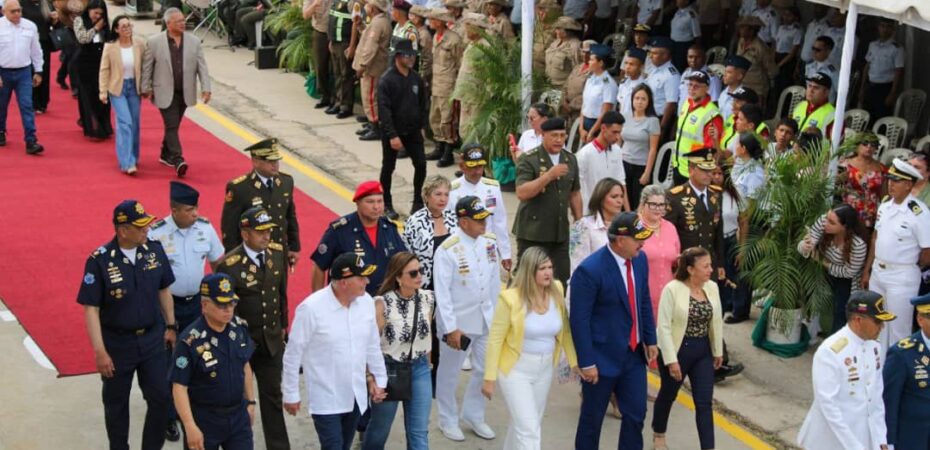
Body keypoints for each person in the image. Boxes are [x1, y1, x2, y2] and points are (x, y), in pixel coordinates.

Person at [77, 200, 176, 450]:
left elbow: (164, 289)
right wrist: (100, 351)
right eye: (141, 226)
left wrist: (171, 325)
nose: (147, 229)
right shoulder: (99, 261)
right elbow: (91, 309)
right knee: (116, 404)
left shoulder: (153, 250)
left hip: (152, 339)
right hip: (117, 344)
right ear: (123, 230)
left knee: (161, 398)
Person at [282, 253, 388, 450]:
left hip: (355, 394)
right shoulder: (311, 309)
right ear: (343, 282)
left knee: (344, 446)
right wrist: (291, 393)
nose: (367, 281)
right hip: (326, 398)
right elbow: (293, 354)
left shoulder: (365, 302)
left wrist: (379, 380)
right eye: (361, 277)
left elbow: (372, 344)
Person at [570, 212, 658, 450]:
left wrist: (650, 338)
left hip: (633, 355)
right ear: (620, 240)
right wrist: (586, 362)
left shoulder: (639, 260)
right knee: (592, 420)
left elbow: (643, 300)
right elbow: (579, 320)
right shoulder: (590, 270)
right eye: (638, 238)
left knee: (636, 414)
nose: (643, 243)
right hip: (602, 358)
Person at [148, 181, 225, 442]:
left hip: (197, 304)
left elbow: (218, 263)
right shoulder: (156, 233)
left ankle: (193, 410)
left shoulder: (204, 228)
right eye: (190, 210)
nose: (195, 214)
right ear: (174, 210)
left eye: (196, 209)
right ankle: (170, 416)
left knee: (197, 356)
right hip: (167, 305)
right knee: (169, 361)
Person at [482, 246, 578, 450]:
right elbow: (495, 339)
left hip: (544, 370)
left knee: (524, 423)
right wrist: (489, 378)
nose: (548, 272)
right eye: (542, 268)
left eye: (550, 267)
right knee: (529, 430)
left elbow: (565, 331)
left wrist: (574, 361)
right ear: (529, 270)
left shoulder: (557, 290)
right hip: (516, 371)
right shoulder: (510, 298)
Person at [214, 206, 290, 450]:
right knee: (238, 400)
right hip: (241, 344)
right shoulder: (230, 265)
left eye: (269, 231)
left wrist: (282, 327)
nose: (267, 236)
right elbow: (225, 309)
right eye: (260, 232)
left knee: (273, 398)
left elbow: (281, 294)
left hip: (270, 340)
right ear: (245, 234)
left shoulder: (277, 253)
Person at [433, 196, 502, 442]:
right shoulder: (448, 249)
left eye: (485, 218)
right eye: (478, 219)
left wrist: (497, 317)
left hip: (486, 318)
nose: (484, 223)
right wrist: (451, 328)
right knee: (450, 373)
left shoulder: (489, 243)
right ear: (463, 222)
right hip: (459, 323)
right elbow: (442, 292)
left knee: (485, 368)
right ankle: (447, 418)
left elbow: (494, 281)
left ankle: (474, 413)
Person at [797, 290, 894, 450]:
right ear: (858, 320)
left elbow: (876, 398)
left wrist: (880, 440)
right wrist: (854, 446)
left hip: (862, 437)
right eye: (877, 321)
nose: (882, 327)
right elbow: (827, 406)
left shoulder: (874, 347)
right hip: (829, 441)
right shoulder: (830, 351)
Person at [170, 273, 256, 450]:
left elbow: (245, 365)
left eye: (231, 303)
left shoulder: (239, 329)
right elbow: (179, 387)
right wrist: (189, 425)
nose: (228, 309)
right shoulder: (190, 340)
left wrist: (251, 402)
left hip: (238, 416)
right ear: (204, 305)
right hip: (205, 419)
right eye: (221, 304)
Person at [652, 247, 723, 450]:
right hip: (678, 350)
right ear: (691, 269)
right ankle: (658, 433)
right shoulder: (672, 289)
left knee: (704, 403)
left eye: (711, 264)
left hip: (702, 351)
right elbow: (663, 327)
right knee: (668, 394)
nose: (711, 269)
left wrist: (717, 351)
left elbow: (716, 321)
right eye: (705, 266)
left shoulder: (712, 288)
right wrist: (671, 360)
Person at [361, 252, 434, 450]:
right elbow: (370, 344)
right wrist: (371, 377)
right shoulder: (382, 303)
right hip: (388, 369)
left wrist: (428, 363)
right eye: (412, 273)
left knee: (419, 432)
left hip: (420, 369)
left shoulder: (428, 299)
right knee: (379, 430)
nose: (419, 276)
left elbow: (426, 335)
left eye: (421, 271)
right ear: (398, 278)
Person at [862, 159, 930, 349]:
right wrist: (867, 270)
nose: (891, 184)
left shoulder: (918, 213)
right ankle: (879, 370)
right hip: (878, 272)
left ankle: (896, 374)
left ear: (909, 185)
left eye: (897, 180)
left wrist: (910, 265)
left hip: (902, 276)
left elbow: (927, 251)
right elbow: (875, 239)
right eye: (890, 179)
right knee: (876, 324)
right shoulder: (885, 205)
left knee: (898, 329)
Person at [141, 7, 212, 177]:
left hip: (185, 92)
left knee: (173, 125)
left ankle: (165, 153)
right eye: (178, 21)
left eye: (183, 19)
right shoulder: (154, 42)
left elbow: (202, 67)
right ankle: (178, 159)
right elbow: (147, 67)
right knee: (171, 125)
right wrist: (145, 87)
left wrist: (206, 88)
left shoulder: (194, 41)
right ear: (168, 23)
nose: (183, 23)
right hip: (163, 91)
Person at [514, 117, 583, 286]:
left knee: (560, 280)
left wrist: (579, 221)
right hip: (533, 233)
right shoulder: (529, 159)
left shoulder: (570, 159)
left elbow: (574, 193)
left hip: (559, 233)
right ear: (543, 135)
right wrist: (549, 176)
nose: (559, 140)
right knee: (528, 280)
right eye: (554, 135)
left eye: (562, 135)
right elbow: (522, 192)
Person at [310, 180, 408, 295]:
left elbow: (403, 262)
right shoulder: (340, 230)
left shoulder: (389, 228)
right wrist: (319, 301)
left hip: (385, 301)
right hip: (350, 301)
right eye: (370, 202)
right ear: (358, 202)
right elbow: (319, 266)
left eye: (380, 201)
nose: (376, 207)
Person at [221, 138, 301, 268]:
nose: (275, 165)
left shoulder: (286, 182)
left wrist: (294, 246)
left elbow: (290, 216)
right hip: (251, 255)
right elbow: (229, 228)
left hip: (278, 253)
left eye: (276, 160)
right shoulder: (240, 188)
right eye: (269, 161)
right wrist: (234, 257)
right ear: (256, 162)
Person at [378, 39, 429, 219]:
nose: (411, 59)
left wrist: (422, 126)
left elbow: (423, 104)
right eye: (408, 55)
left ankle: (417, 201)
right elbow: (384, 111)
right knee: (388, 167)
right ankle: (386, 202)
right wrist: (392, 135)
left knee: (421, 164)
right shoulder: (387, 80)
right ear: (398, 56)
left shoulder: (416, 79)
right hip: (393, 132)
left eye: (413, 55)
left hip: (413, 130)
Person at [798, 204, 868, 334]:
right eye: (827, 218)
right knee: (813, 297)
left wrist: (821, 261)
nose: (826, 223)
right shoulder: (823, 221)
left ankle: (837, 341)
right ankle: (810, 333)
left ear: (844, 227)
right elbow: (804, 246)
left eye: (832, 222)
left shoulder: (858, 245)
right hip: (824, 270)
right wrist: (805, 246)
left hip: (847, 278)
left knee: (841, 308)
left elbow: (849, 272)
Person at [448, 144, 513, 271]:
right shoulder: (452, 190)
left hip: (488, 247)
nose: (477, 171)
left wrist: (505, 253)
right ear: (462, 166)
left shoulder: (492, 187)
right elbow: (449, 224)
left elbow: (499, 222)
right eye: (472, 167)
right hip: (463, 248)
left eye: (480, 166)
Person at [883, 292, 930, 450]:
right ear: (921, 320)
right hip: (913, 438)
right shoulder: (902, 354)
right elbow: (889, 401)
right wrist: (888, 441)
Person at [99, 15, 145, 175]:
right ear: (116, 30)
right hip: (117, 88)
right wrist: (103, 91)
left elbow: (146, 66)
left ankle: (134, 155)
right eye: (123, 26)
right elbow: (104, 70)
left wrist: (147, 86)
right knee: (125, 123)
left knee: (135, 123)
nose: (127, 29)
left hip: (134, 88)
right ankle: (127, 162)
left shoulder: (139, 44)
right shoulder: (110, 47)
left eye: (129, 25)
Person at [0, 0, 45, 154]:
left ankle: (31, 140)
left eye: (19, 10)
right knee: (1, 105)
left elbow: (36, 50)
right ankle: (0, 131)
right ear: (3, 12)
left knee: (27, 105)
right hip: (3, 72)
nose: (17, 14)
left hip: (24, 72)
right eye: (13, 11)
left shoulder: (30, 26)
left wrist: (38, 71)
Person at [403, 175, 457, 289]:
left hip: (453, 282)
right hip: (426, 285)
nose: (443, 199)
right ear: (426, 196)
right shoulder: (415, 222)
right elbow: (406, 257)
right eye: (438, 194)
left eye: (446, 194)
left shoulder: (454, 218)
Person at [425, 7, 463, 166]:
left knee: (448, 119)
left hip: (449, 84)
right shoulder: (436, 36)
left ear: (440, 21)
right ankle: (439, 146)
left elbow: (460, 63)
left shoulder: (454, 39)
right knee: (435, 117)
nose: (430, 22)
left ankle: (448, 150)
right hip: (437, 83)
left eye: (433, 19)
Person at [672, 70, 723, 185]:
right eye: (690, 84)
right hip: (678, 165)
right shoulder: (687, 103)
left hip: (695, 172)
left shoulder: (711, 114)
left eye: (697, 86)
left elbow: (711, 150)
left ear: (707, 88)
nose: (692, 88)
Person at [638, 184, 680, 316]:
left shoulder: (670, 228)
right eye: (653, 204)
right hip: (642, 298)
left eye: (661, 205)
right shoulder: (634, 226)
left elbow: (676, 261)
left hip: (668, 298)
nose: (658, 209)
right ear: (643, 204)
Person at [73, 0, 112, 140]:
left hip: (101, 61)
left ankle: (105, 125)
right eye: (95, 13)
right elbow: (83, 38)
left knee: (102, 95)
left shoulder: (105, 22)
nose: (97, 16)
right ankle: (93, 128)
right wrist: (96, 28)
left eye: (100, 14)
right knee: (88, 95)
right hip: (85, 62)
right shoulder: (79, 20)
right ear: (89, 10)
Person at [352, 0, 391, 142]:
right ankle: (371, 123)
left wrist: (362, 65)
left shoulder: (378, 23)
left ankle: (375, 127)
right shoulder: (377, 21)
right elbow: (367, 36)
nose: (366, 6)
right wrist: (360, 25)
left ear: (373, 8)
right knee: (368, 96)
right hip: (372, 65)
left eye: (368, 4)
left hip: (373, 67)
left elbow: (371, 47)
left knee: (371, 97)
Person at [570, 177, 626, 273]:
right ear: (601, 199)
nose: (620, 201)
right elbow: (578, 265)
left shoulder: (625, 226)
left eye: (621, 196)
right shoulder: (583, 226)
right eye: (614, 197)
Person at [576, 111, 628, 210]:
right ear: (603, 128)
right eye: (614, 132)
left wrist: (627, 212)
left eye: (619, 132)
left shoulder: (617, 151)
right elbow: (577, 189)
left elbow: (621, 182)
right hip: (590, 212)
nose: (618, 137)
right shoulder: (585, 154)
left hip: (612, 212)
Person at [621, 85, 660, 210]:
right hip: (624, 162)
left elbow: (653, 149)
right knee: (622, 200)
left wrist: (647, 173)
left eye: (643, 99)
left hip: (641, 166)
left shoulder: (652, 121)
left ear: (649, 101)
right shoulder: (625, 116)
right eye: (637, 98)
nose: (639, 102)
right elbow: (618, 142)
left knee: (638, 202)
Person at [837, 132, 886, 230]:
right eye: (865, 143)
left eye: (873, 145)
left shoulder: (881, 168)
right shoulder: (845, 164)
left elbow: (884, 195)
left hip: (871, 213)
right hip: (848, 210)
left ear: (876, 149)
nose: (869, 147)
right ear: (857, 145)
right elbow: (833, 185)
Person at [860, 19, 904, 122]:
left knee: (882, 120)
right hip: (870, 86)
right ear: (878, 27)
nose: (884, 29)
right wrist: (862, 88)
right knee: (867, 119)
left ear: (892, 30)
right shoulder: (873, 45)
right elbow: (867, 66)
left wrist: (892, 93)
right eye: (882, 26)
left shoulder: (897, 48)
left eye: (888, 27)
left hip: (884, 88)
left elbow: (899, 71)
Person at [323, 0, 357, 119]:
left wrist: (352, 46)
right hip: (335, 41)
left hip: (345, 43)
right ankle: (337, 102)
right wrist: (331, 40)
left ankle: (346, 106)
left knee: (345, 75)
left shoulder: (352, 2)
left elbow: (355, 23)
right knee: (337, 73)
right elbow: (332, 20)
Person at [734, 16, 776, 110]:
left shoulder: (761, 47)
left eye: (743, 27)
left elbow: (771, 69)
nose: (740, 30)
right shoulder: (741, 42)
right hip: (743, 84)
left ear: (752, 30)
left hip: (757, 88)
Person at [20, 0, 54, 114]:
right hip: (26, 42)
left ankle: (43, 102)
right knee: (29, 71)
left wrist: (54, 19)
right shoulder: (21, 4)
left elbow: (51, 24)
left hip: (43, 42)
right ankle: (32, 102)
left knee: (44, 70)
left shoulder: (45, 4)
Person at [578, 44, 617, 144]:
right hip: (585, 122)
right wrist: (581, 128)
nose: (588, 62)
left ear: (600, 63)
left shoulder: (608, 83)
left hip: (598, 125)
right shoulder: (590, 79)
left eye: (592, 60)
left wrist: (592, 132)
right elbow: (584, 105)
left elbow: (605, 112)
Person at [645, 37, 680, 141]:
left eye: (655, 53)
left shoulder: (671, 75)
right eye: (650, 52)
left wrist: (661, 128)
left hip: (659, 119)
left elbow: (671, 105)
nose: (651, 56)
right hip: (648, 117)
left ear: (665, 55)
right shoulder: (654, 70)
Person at [302, 0, 333, 111]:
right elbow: (305, 15)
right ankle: (325, 96)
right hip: (320, 32)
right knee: (320, 66)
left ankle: (338, 99)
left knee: (337, 68)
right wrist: (315, 4)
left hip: (337, 33)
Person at [790, 72, 835, 138]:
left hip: (814, 148)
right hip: (792, 147)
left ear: (826, 92)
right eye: (809, 86)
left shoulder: (832, 114)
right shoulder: (800, 105)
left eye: (816, 88)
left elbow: (834, 144)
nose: (811, 90)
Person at [544, 16, 583, 89]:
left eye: (559, 29)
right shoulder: (555, 42)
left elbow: (577, 69)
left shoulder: (575, 45)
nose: (556, 31)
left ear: (567, 31)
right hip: (549, 84)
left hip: (563, 87)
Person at [561, 39, 594, 125]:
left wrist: (571, 106)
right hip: (567, 109)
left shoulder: (594, 72)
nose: (585, 55)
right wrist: (564, 101)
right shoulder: (577, 67)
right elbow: (566, 84)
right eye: (583, 52)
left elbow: (588, 95)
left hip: (580, 111)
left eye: (588, 52)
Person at [772, 7, 801, 101]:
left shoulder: (797, 31)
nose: (785, 17)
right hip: (777, 56)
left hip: (787, 60)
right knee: (776, 85)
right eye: (784, 15)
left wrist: (780, 64)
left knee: (784, 85)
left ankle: (783, 110)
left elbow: (793, 52)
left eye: (789, 15)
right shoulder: (781, 28)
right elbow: (776, 44)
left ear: (795, 17)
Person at [717, 55, 750, 124]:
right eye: (725, 71)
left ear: (739, 76)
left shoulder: (743, 98)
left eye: (729, 72)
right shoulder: (724, 92)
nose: (725, 75)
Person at [616, 47, 647, 119]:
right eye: (626, 63)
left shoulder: (644, 86)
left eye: (632, 64)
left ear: (641, 66)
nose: (627, 67)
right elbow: (621, 105)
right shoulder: (624, 83)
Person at [804, 36, 837, 103]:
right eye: (813, 48)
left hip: (825, 107)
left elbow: (839, 92)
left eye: (818, 50)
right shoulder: (809, 66)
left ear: (828, 51)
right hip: (809, 104)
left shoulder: (833, 70)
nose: (814, 52)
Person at [668, 0, 700, 71]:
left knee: (680, 67)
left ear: (686, 1)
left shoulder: (691, 14)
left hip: (684, 45)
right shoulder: (678, 11)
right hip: (674, 43)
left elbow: (697, 33)